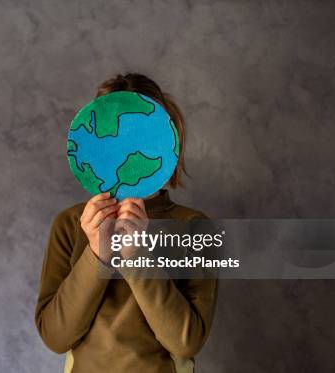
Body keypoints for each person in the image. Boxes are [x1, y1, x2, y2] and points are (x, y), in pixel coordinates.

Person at [35, 73, 218, 373]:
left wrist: (136, 256)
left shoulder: (194, 227)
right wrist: (96, 254)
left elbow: (187, 341)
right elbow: (56, 337)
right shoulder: (70, 225)